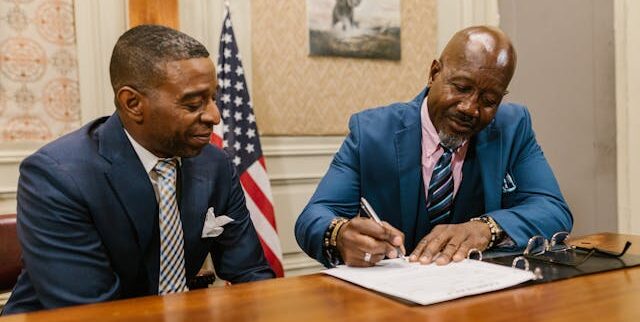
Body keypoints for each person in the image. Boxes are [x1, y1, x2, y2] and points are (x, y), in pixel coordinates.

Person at [2, 25, 274, 315]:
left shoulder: (215, 165)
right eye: (194, 103)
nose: (214, 116)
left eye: (214, 98)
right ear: (132, 103)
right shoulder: (57, 177)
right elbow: (90, 312)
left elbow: (252, 274)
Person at [295, 26, 573, 268]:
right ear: (434, 73)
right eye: (461, 87)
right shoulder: (371, 132)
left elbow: (553, 210)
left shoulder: (513, 127)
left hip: (481, 298)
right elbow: (314, 216)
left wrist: (487, 229)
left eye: (489, 100)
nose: (470, 109)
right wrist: (340, 234)